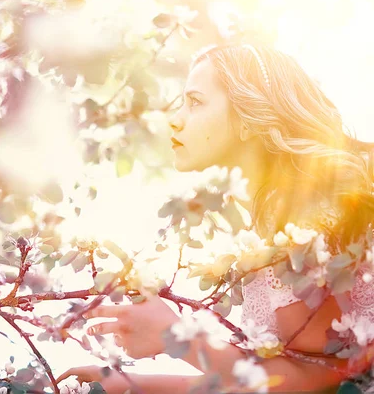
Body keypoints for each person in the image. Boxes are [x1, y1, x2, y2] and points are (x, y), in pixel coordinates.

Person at [56, 44, 374, 393]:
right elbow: (291, 376)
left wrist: (176, 335)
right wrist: (130, 383)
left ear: (249, 117)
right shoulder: (281, 220)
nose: (175, 119)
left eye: (195, 102)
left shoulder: (306, 222)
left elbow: (321, 380)